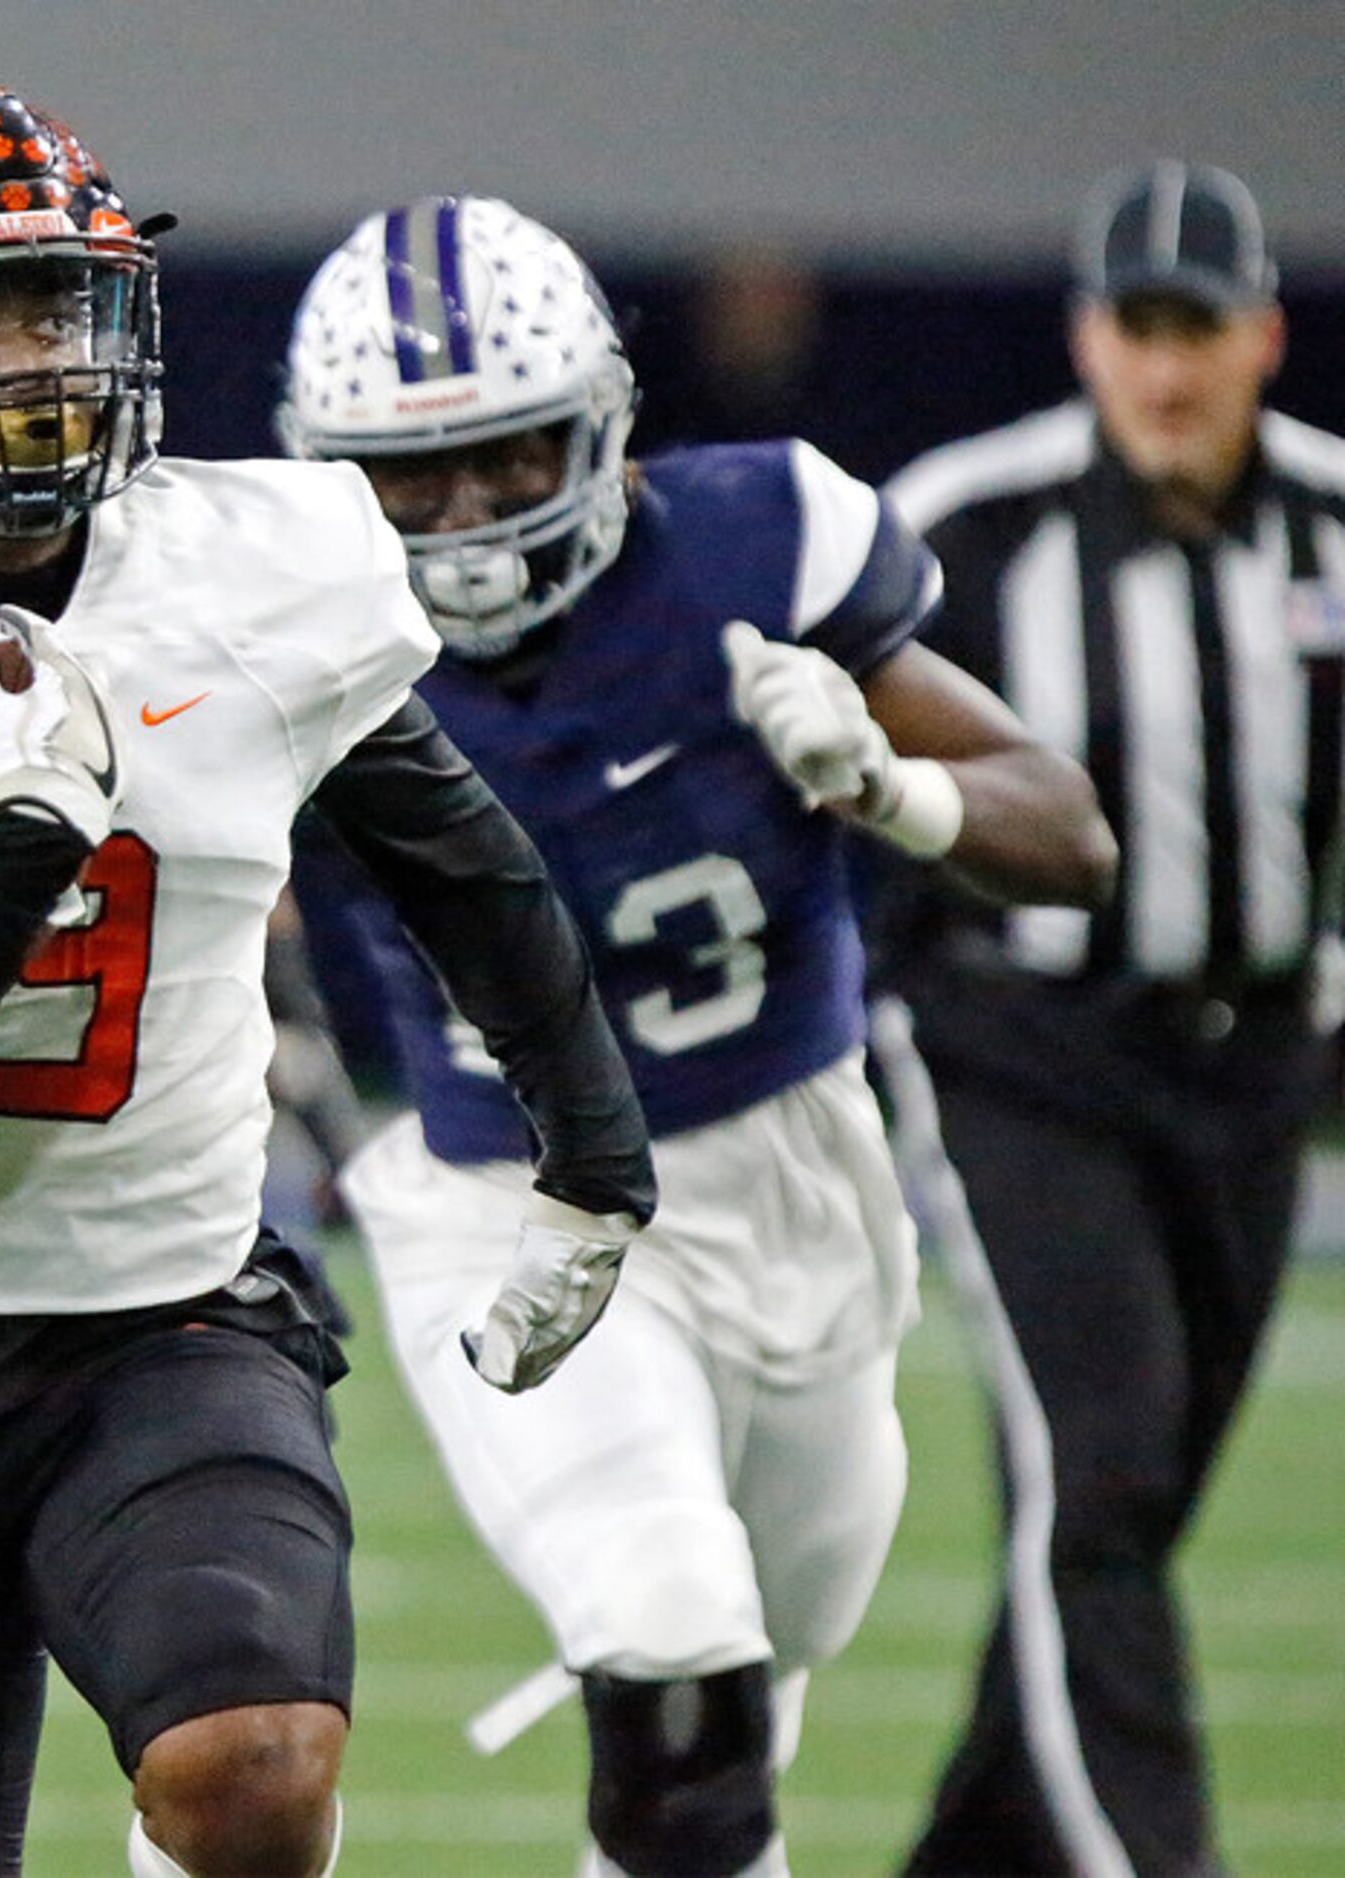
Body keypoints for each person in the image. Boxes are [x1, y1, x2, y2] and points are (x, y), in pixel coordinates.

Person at [0, 84, 657, 1878]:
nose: (24, 364)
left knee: (256, 1760)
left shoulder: (259, 563)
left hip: (175, 1318)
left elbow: (461, 861)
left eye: (51, 307)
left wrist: (595, 1157)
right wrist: (18, 839)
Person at [274, 195, 1116, 1878]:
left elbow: (1072, 835)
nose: (462, 518)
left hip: (798, 1178)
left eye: (508, 458)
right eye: (404, 479)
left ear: (600, 425)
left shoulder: (759, 542)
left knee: (755, 1681)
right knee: (669, 1616)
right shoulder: (289, 624)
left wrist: (899, 786)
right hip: (503, 1206)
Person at [874, 160, 1344, 1878]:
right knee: (1103, 1478)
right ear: (1085, 337)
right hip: (1023, 1057)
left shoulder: (1334, 525)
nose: (1165, 369)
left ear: (1262, 338)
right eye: (1136, 329)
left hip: (1257, 1064)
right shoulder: (966, 524)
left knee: (1125, 1510)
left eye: (1197, 331)